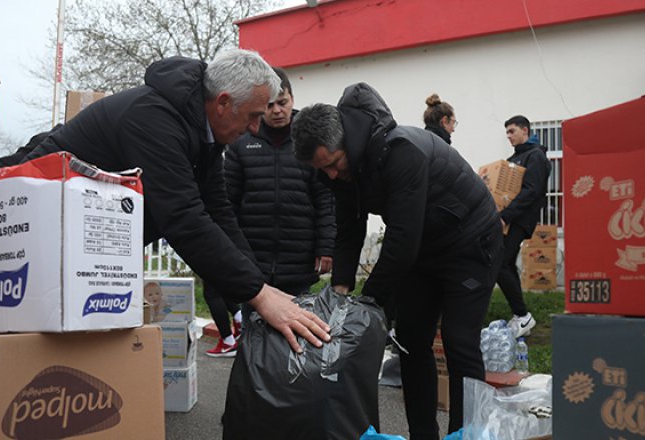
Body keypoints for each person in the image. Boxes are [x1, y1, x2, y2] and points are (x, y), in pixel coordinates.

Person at [18, 49, 330, 352]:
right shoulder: (154, 119)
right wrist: (260, 297)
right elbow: (183, 218)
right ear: (223, 103)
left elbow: (219, 212)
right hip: (35, 233)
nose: (254, 128)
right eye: (252, 116)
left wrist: (260, 284)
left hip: (82, 243)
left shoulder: (204, 135)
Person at [291, 83, 504, 439]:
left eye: (332, 164)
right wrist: (340, 296)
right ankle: (423, 434)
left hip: (470, 242)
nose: (330, 175)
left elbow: (402, 241)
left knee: (458, 340)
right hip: (424, 245)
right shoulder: (340, 170)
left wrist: (369, 300)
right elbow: (348, 231)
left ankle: (467, 434)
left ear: (347, 141)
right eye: (321, 169)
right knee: (410, 338)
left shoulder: (401, 151)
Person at [203, 67, 335, 357]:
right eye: (270, 105)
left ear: (292, 98)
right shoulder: (241, 142)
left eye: (283, 103)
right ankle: (255, 395)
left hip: (298, 257)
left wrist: (326, 245)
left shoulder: (310, 139)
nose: (277, 111)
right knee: (255, 339)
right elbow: (228, 202)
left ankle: (295, 395)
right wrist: (232, 251)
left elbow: (325, 196)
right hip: (254, 259)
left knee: (298, 339)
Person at [497, 115, 552, 338]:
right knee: (506, 264)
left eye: (512, 131)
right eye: (507, 133)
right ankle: (521, 317)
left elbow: (531, 191)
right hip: (509, 217)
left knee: (499, 263)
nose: (509, 136)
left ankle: (522, 315)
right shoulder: (515, 158)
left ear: (525, 130)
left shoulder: (535, 156)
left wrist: (506, 216)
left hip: (519, 219)